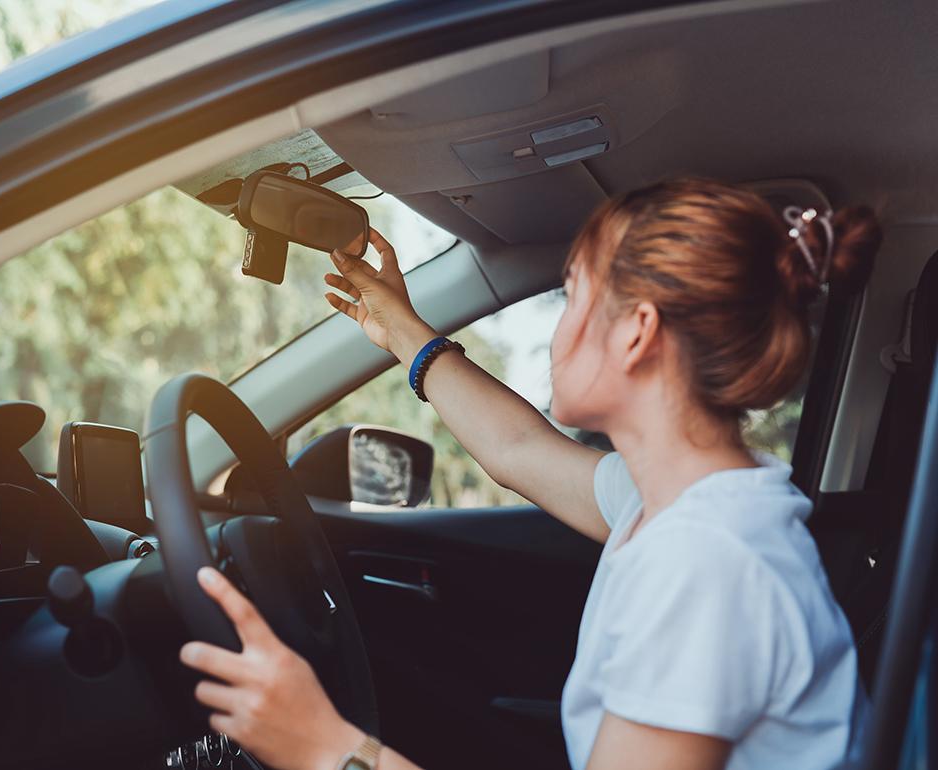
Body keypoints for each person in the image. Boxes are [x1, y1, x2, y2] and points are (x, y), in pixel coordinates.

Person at [179, 178, 882, 770]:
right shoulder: (678, 501)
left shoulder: (709, 565)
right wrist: (398, 326)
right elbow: (516, 449)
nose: (560, 326)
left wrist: (330, 749)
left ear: (636, 332)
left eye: (572, 294)